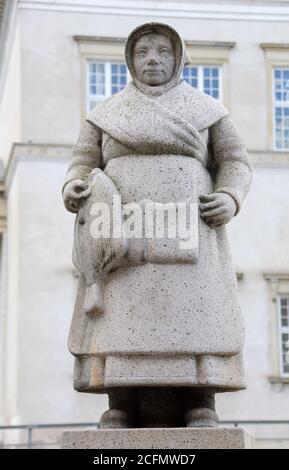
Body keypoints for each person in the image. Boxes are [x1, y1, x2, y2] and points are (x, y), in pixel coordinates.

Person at [62, 22, 252, 428]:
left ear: (178, 58)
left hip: (191, 227)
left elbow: (235, 159)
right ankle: (121, 401)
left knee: (193, 313)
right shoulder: (105, 113)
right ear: (130, 59)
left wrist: (230, 196)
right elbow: (83, 161)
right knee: (121, 316)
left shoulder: (206, 110)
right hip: (119, 228)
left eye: (162, 51)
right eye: (143, 51)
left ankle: (200, 401)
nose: (152, 59)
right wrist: (73, 186)